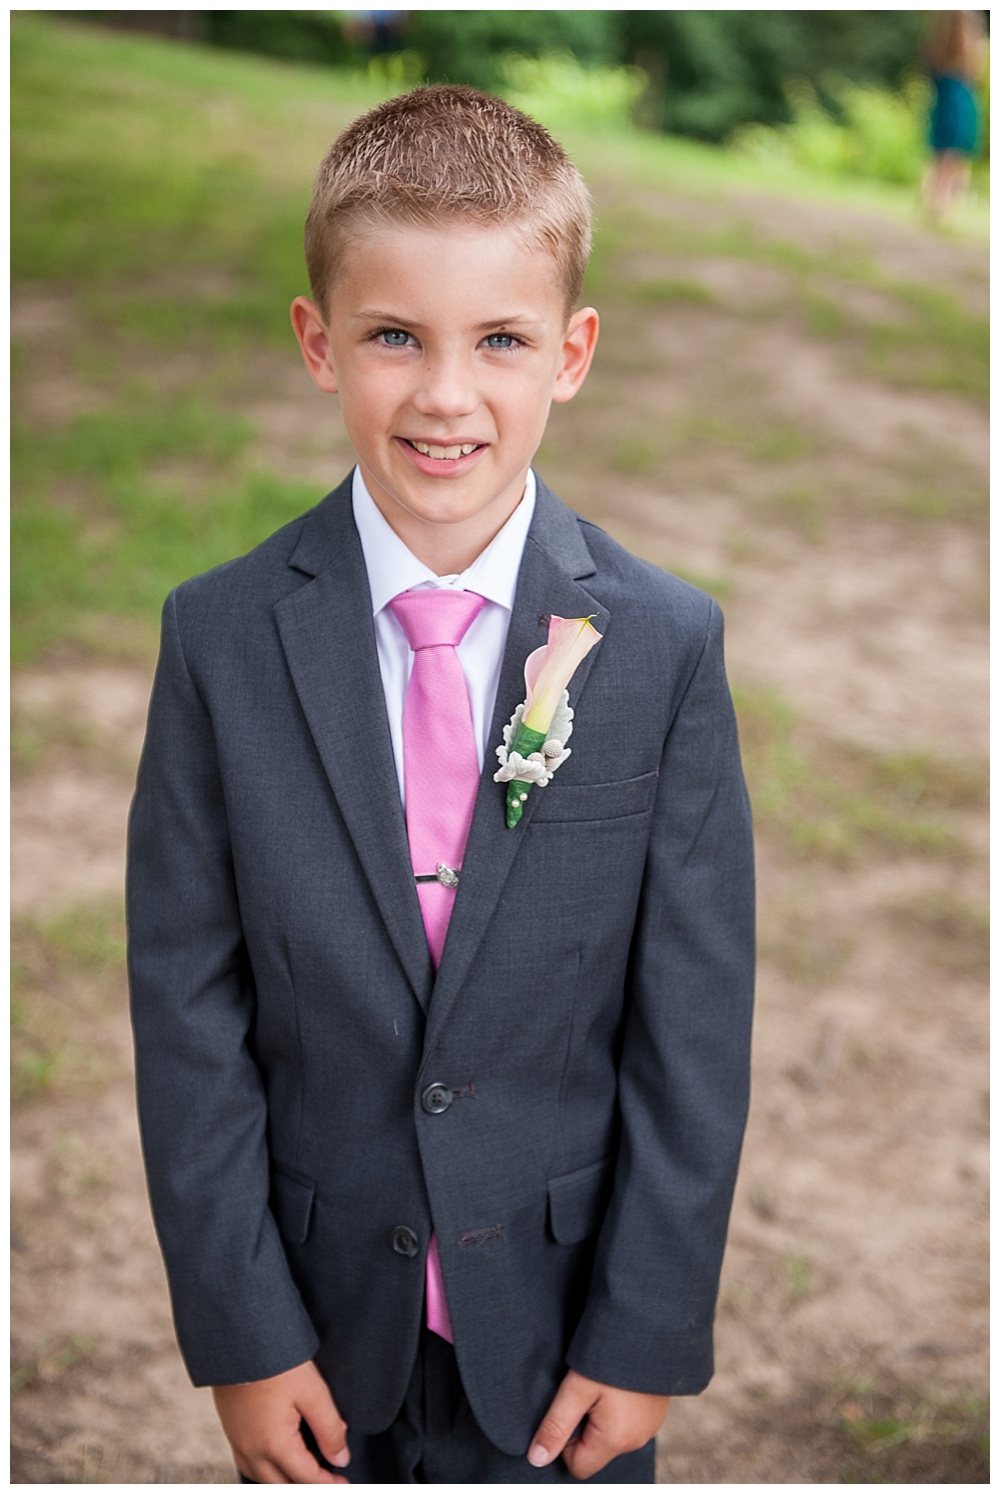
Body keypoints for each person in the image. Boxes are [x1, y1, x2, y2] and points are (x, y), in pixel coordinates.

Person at [126, 85, 755, 1485]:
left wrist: (646, 1331)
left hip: (558, 1338)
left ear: (573, 353)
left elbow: (693, 1031)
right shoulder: (220, 639)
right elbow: (186, 1007)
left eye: (502, 341)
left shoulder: (660, 647)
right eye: (394, 335)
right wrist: (239, 1331)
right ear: (317, 340)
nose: (446, 394)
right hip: (315, 1330)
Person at [921, 9, 986, 225]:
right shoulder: (970, 52)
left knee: (940, 160)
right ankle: (948, 209)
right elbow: (975, 75)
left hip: (941, 107)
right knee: (957, 162)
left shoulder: (937, 48)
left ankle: (936, 204)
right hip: (960, 109)